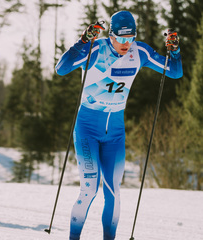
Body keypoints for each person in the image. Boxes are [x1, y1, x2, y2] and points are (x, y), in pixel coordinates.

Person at [55, 11, 182, 240]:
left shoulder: (139, 52)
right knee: (89, 189)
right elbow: (61, 68)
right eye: (121, 38)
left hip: (115, 133)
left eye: (130, 38)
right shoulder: (96, 50)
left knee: (113, 192)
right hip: (87, 129)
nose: (126, 44)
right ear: (111, 35)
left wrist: (174, 50)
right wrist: (84, 41)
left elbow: (174, 72)